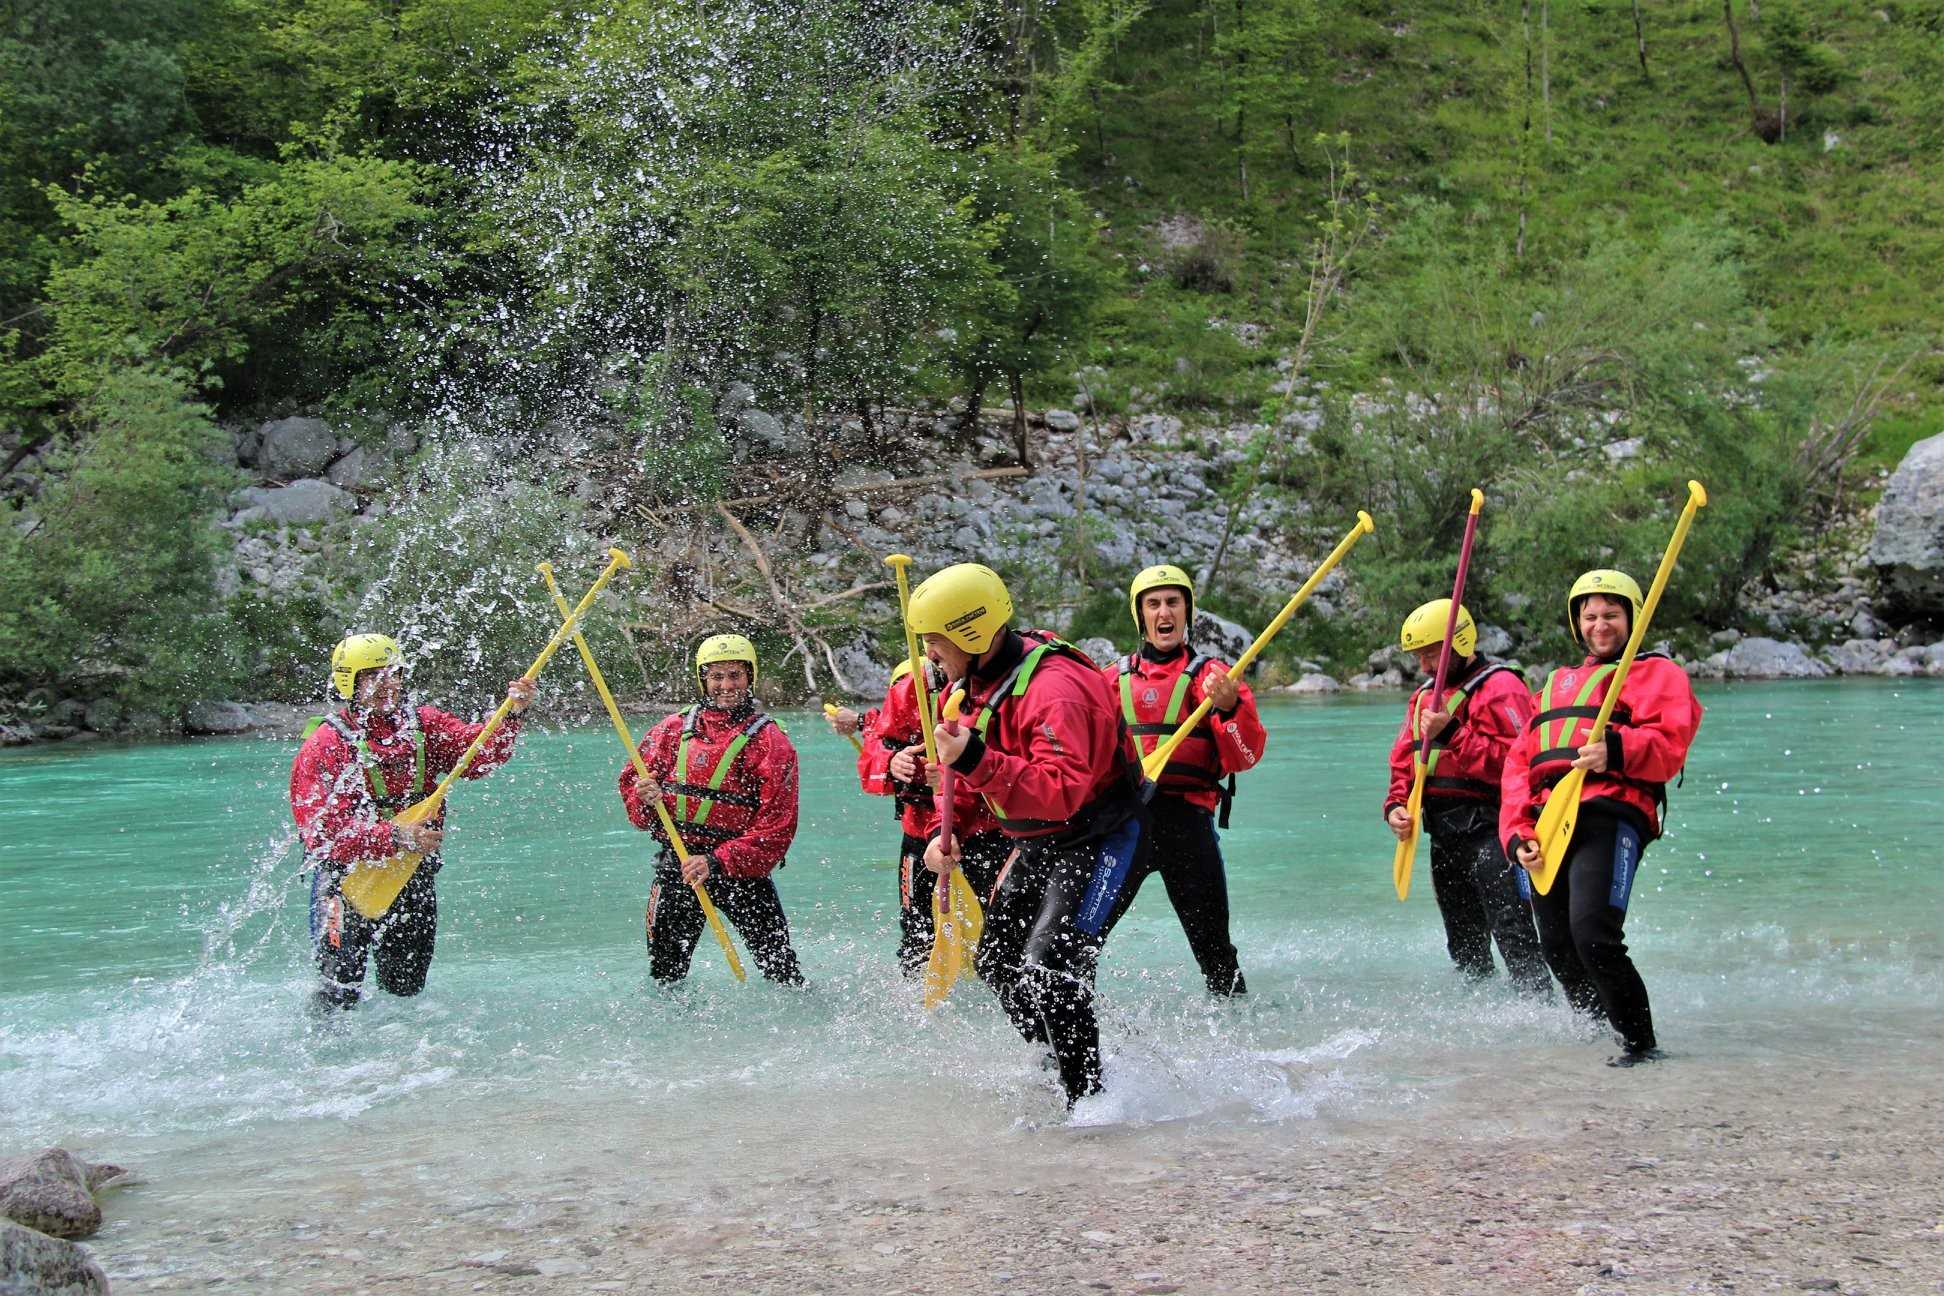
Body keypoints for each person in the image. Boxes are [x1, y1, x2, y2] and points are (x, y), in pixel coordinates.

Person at [908, 563, 1147, 1108]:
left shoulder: (1055, 691)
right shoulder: (976, 682)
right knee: (996, 961)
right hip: (1039, 841)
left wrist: (971, 756)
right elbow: (977, 779)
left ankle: (1090, 1106)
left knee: (1050, 970)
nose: (929, 656)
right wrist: (952, 830)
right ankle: (1056, 1061)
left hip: (1100, 835)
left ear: (969, 632)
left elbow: (1060, 790)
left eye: (935, 642)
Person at [1501, 571, 1703, 1066]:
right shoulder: (1555, 684)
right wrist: (1516, 832)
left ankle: (1641, 1047)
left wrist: (1616, 748)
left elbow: (1671, 745)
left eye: (1611, 614)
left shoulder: (1656, 673)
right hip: (1550, 821)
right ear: (1577, 624)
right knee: (1558, 946)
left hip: (1611, 812)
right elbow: (1517, 764)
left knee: (1594, 935)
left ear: (1632, 617)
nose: (1600, 624)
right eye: (1590, 616)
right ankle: (1595, 1036)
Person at [292, 633, 534, 1012]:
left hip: (410, 878)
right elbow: (323, 834)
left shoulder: (423, 724)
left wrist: (512, 713)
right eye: (374, 677)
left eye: (394, 674)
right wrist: (395, 836)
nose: (388, 685)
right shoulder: (326, 744)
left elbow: (478, 756)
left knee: (406, 995)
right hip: (346, 883)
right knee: (336, 999)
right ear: (349, 683)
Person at [1099, 565, 1266, 996]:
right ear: (1141, 616)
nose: (1163, 612)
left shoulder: (1215, 679)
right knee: (1079, 941)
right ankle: (1073, 1031)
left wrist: (1229, 709)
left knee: (1215, 952)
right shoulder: (1109, 681)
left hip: (1187, 824)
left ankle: (1243, 1041)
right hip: (1125, 825)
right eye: (1153, 603)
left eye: (1173, 601)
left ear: (1187, 610)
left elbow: (1245, 757)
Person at [1382, 599, 1550, 995]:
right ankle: (1477, 1032)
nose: (1424, 666)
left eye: (1431, 654)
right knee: (1464, 944)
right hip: (1444, 834)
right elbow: (1404, 761)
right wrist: (1394, 806)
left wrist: (1454, 734)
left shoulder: (1501, 687)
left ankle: (1542, 1020)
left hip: (1494, 830)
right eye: (1419, 655)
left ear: (1460, 641)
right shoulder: (1424, 697)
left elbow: (1519, 763)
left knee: (1514, 935)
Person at [620, 633, 805, 986]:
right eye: (716, 676)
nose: (726, 685)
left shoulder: (771, 742)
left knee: (782, 972)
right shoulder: (672, 730)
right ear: (703, 678)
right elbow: (635, 802)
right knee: (664, 975)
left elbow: (777, 828)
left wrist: (716, 861)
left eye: (735, 675)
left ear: (750, 677)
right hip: (678, 863)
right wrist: (644, 798)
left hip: (742, 874)